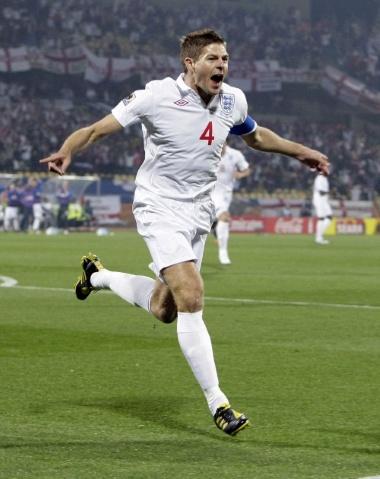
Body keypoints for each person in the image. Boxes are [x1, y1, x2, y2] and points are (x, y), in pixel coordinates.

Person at [40, 29, 329, 436]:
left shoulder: (233, 99)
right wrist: (69, 148)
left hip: (199, 212)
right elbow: (96, 129)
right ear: (190, 64)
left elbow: (257, 136)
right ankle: (219, 402)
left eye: (226, 58)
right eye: (213, 59)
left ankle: (97, 276)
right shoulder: (156, 96)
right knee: (192, 294)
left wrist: (303, 152)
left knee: (165, 308)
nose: (222, 66)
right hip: (159, 205)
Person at [211, 142, 251, 264]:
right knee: (203, 222)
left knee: (224, 217)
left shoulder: (235, 154)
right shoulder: (208, 151)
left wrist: (240, 174)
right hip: (207, 191)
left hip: (224, 193)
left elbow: (247, 170)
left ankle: (223, 252)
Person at [313, 172, 332, 244]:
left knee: (329, 217)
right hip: (319, 200)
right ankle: (318, 238)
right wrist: (331, 193)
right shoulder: (319, 178)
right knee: (321, 218)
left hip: (324, 200)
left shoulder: (324, 178)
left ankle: (319, 235)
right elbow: (321, 191)